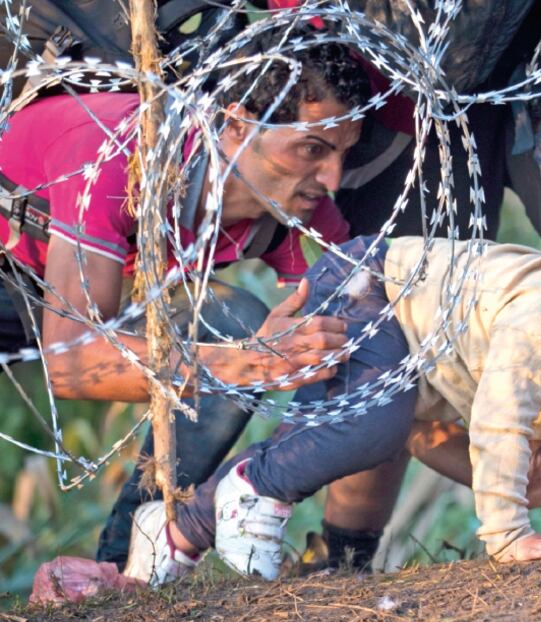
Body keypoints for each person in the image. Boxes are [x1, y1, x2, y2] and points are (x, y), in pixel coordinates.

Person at [123, 165, 541, 585]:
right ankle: (253, 487)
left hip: (413, 339)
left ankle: (179, 529)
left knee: (367, 426)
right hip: (369, 287)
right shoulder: (540, 317)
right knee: (369, 428)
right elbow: (500, 422)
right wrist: (508, 535)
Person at [0, 27, 370, 569]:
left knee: (233, 318)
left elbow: (368, 343)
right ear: (239, 124)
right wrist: (256, 364)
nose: (332, 178)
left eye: (343, 153)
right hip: (13, 266)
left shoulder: (296, 207)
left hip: (85, 284)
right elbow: (73, 363)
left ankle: (131, 564)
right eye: (312, 149)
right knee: (237, 343)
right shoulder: (122, 151)